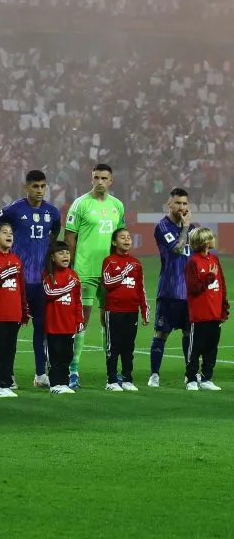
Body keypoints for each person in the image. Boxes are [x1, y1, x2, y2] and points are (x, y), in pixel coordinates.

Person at [0, 171, 61, 387]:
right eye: (35, 186)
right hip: (17, 282)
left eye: (43, 186)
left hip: (40, 283)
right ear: (26, 187)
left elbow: (55, 233)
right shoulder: (14, 209)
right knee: (11, 330)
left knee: (42, 329)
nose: (39, 191)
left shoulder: (52, 212)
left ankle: (41, 374)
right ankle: (8, 374)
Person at [64, 163, 126, 389]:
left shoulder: (117, 205)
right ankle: (73, 370)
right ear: (91, 179)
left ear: (111, 181)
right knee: (81, 321)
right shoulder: (80, 204)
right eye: (96, 177)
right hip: (85, 272)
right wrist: (70, 267)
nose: (100, 182)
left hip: (109, 273)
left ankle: (112, 370)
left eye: (104, 178)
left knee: (109, 322)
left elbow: (120, 237)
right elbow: (70, 237)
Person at [149, 188, 196, 387]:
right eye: (178, 203)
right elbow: (177, 248)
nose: (182, 207)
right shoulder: (162, 226)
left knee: (189, 333)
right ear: (169, 204)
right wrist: (185, 228)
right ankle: (154, 375)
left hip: (189, 293)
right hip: (169, 290)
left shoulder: (192, 228)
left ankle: (190, 374)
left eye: (185, 204)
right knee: (161, 334)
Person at [0, 223, 29, 398]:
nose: (9, 235)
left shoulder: (16, 259)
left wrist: (24, 311)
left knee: (10, 349)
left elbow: (21, 288)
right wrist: (5, 274)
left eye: (11, 233)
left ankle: (7, 383)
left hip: (13, 313)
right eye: (4, 233)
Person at [101, 228, 150, 392]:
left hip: (131, 311)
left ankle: (127, 379)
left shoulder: (136, 263)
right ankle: (111, 380)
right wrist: (123, 273)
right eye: (122, 237)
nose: (127, 240)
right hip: (114, 310)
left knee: (128, 347)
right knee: (113, 347)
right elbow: (107, 283)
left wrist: (144, 309)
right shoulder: (109, 261)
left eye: (129, 237)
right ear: (114, 242)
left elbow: (140, 288)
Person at [184, 227, 228, 392]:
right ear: (204, 242)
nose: (213, 239)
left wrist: (224, 307)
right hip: (199, 314)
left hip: (214, 313)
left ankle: (207, 378)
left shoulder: (214, 259)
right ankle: (191, 379)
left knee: (212, 348)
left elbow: (221, 284)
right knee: (195, 348)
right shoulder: (193, 262)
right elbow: (193, 288)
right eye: (211, 237)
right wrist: (208, 277)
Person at [42, 242, 82, 395]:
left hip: (69, 323)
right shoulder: (47, 274)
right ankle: (54, 383)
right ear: (52, 257)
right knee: (55, 355)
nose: (65, 255)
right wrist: (68, 287)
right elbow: (49, 293)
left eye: (67, 252)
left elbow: (77, 300)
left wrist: (79, 320)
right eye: (61, 253)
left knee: (67, 355)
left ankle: (64, 383)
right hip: (53, 324)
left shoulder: (73, 275)